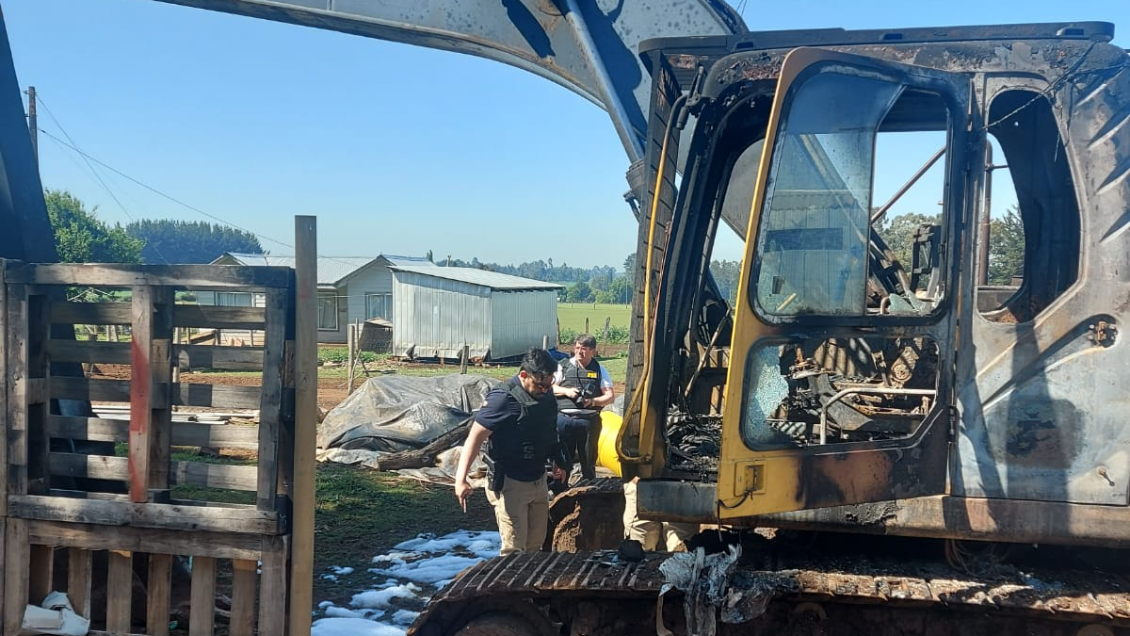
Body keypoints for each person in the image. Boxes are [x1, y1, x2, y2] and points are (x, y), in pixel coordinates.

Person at [455, 348, 568, 556]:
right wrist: (460, 479)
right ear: (524, 375)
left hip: (538, 479)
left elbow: (549, 431)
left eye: (549, 384)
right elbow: (475, 437)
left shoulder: (545, 392)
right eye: (540, 385)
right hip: (511, 483)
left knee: (536, 544)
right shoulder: (503, 399)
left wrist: (558, 460)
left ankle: (530, 585)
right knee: (514, 549)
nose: (545, 389)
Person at [552, 334, 615, 481]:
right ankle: (559, 487)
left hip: (588, 420)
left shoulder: (600, 369)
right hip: (564, 419)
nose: (580, 351)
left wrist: (592, 401)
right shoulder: (563, 366)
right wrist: (567, 391)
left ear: (593, 351)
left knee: (588, 460)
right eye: (578, 348)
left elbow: (610, 396)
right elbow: (549, 387)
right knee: (562, 459)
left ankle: (588, 487)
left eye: (584, 349)